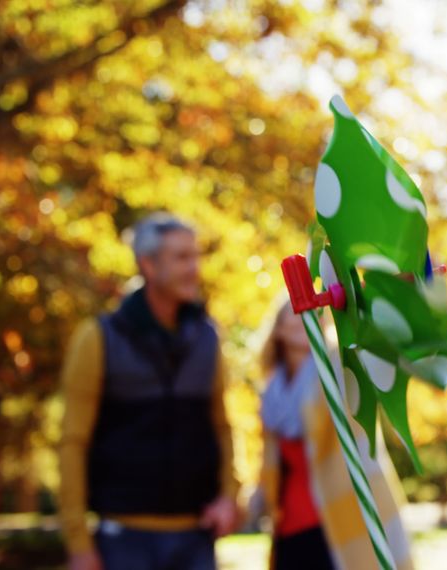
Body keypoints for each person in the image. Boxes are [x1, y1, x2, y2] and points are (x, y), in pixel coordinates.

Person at [58, 213, 238, 570]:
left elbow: (221, 425)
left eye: (196, 256)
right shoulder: (97, 338)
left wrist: (229, 497)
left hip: (195, 538)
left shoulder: (207, 336)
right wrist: (79, 542)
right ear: (148, 265)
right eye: (182, 257)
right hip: (123, 540)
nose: (194, 268)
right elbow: (73, 442)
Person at [259, 302, 413, 570]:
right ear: (279, 329)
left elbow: (373, 352)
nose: (303, 321)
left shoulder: (337, 368)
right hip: (291, 526)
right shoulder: (272, 393)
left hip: (341, 517)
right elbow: (271, 466)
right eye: (294, 315)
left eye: (310, 315)